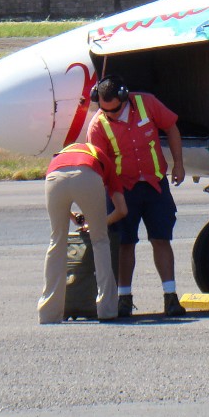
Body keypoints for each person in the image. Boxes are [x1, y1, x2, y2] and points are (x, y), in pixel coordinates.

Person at [86, 75, 187, 318]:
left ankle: (170, 297)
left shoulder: (146, 103)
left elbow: (171, 127)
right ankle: (124, 298)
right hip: (122, 190)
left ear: (124, 97)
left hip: (154, 184)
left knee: (161, 239)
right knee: (124, 243)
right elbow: (99, 165)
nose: (110, 114)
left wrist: (179, 164)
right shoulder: (98, 126)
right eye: (104, 110)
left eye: (115, 109)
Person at [37, 142, 128, 324]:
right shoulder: (103, 159)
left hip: (54, 175)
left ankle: (48, 312)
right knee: (100, 241)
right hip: (87, 174)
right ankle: (106, 308)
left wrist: (74, 218)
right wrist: (97, 224)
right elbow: (122, 210)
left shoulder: (62, 152)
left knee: (57, 241)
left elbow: (63, 196)